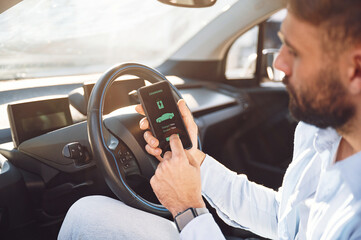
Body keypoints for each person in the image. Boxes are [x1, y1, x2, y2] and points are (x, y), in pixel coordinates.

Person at [58, 0, 361, 239]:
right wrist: (195, 161)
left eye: (294, 51)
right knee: (89, 212)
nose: (279, 63)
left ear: (355, 69)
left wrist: (187, 210)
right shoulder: (320, 130)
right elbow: (285, 220)